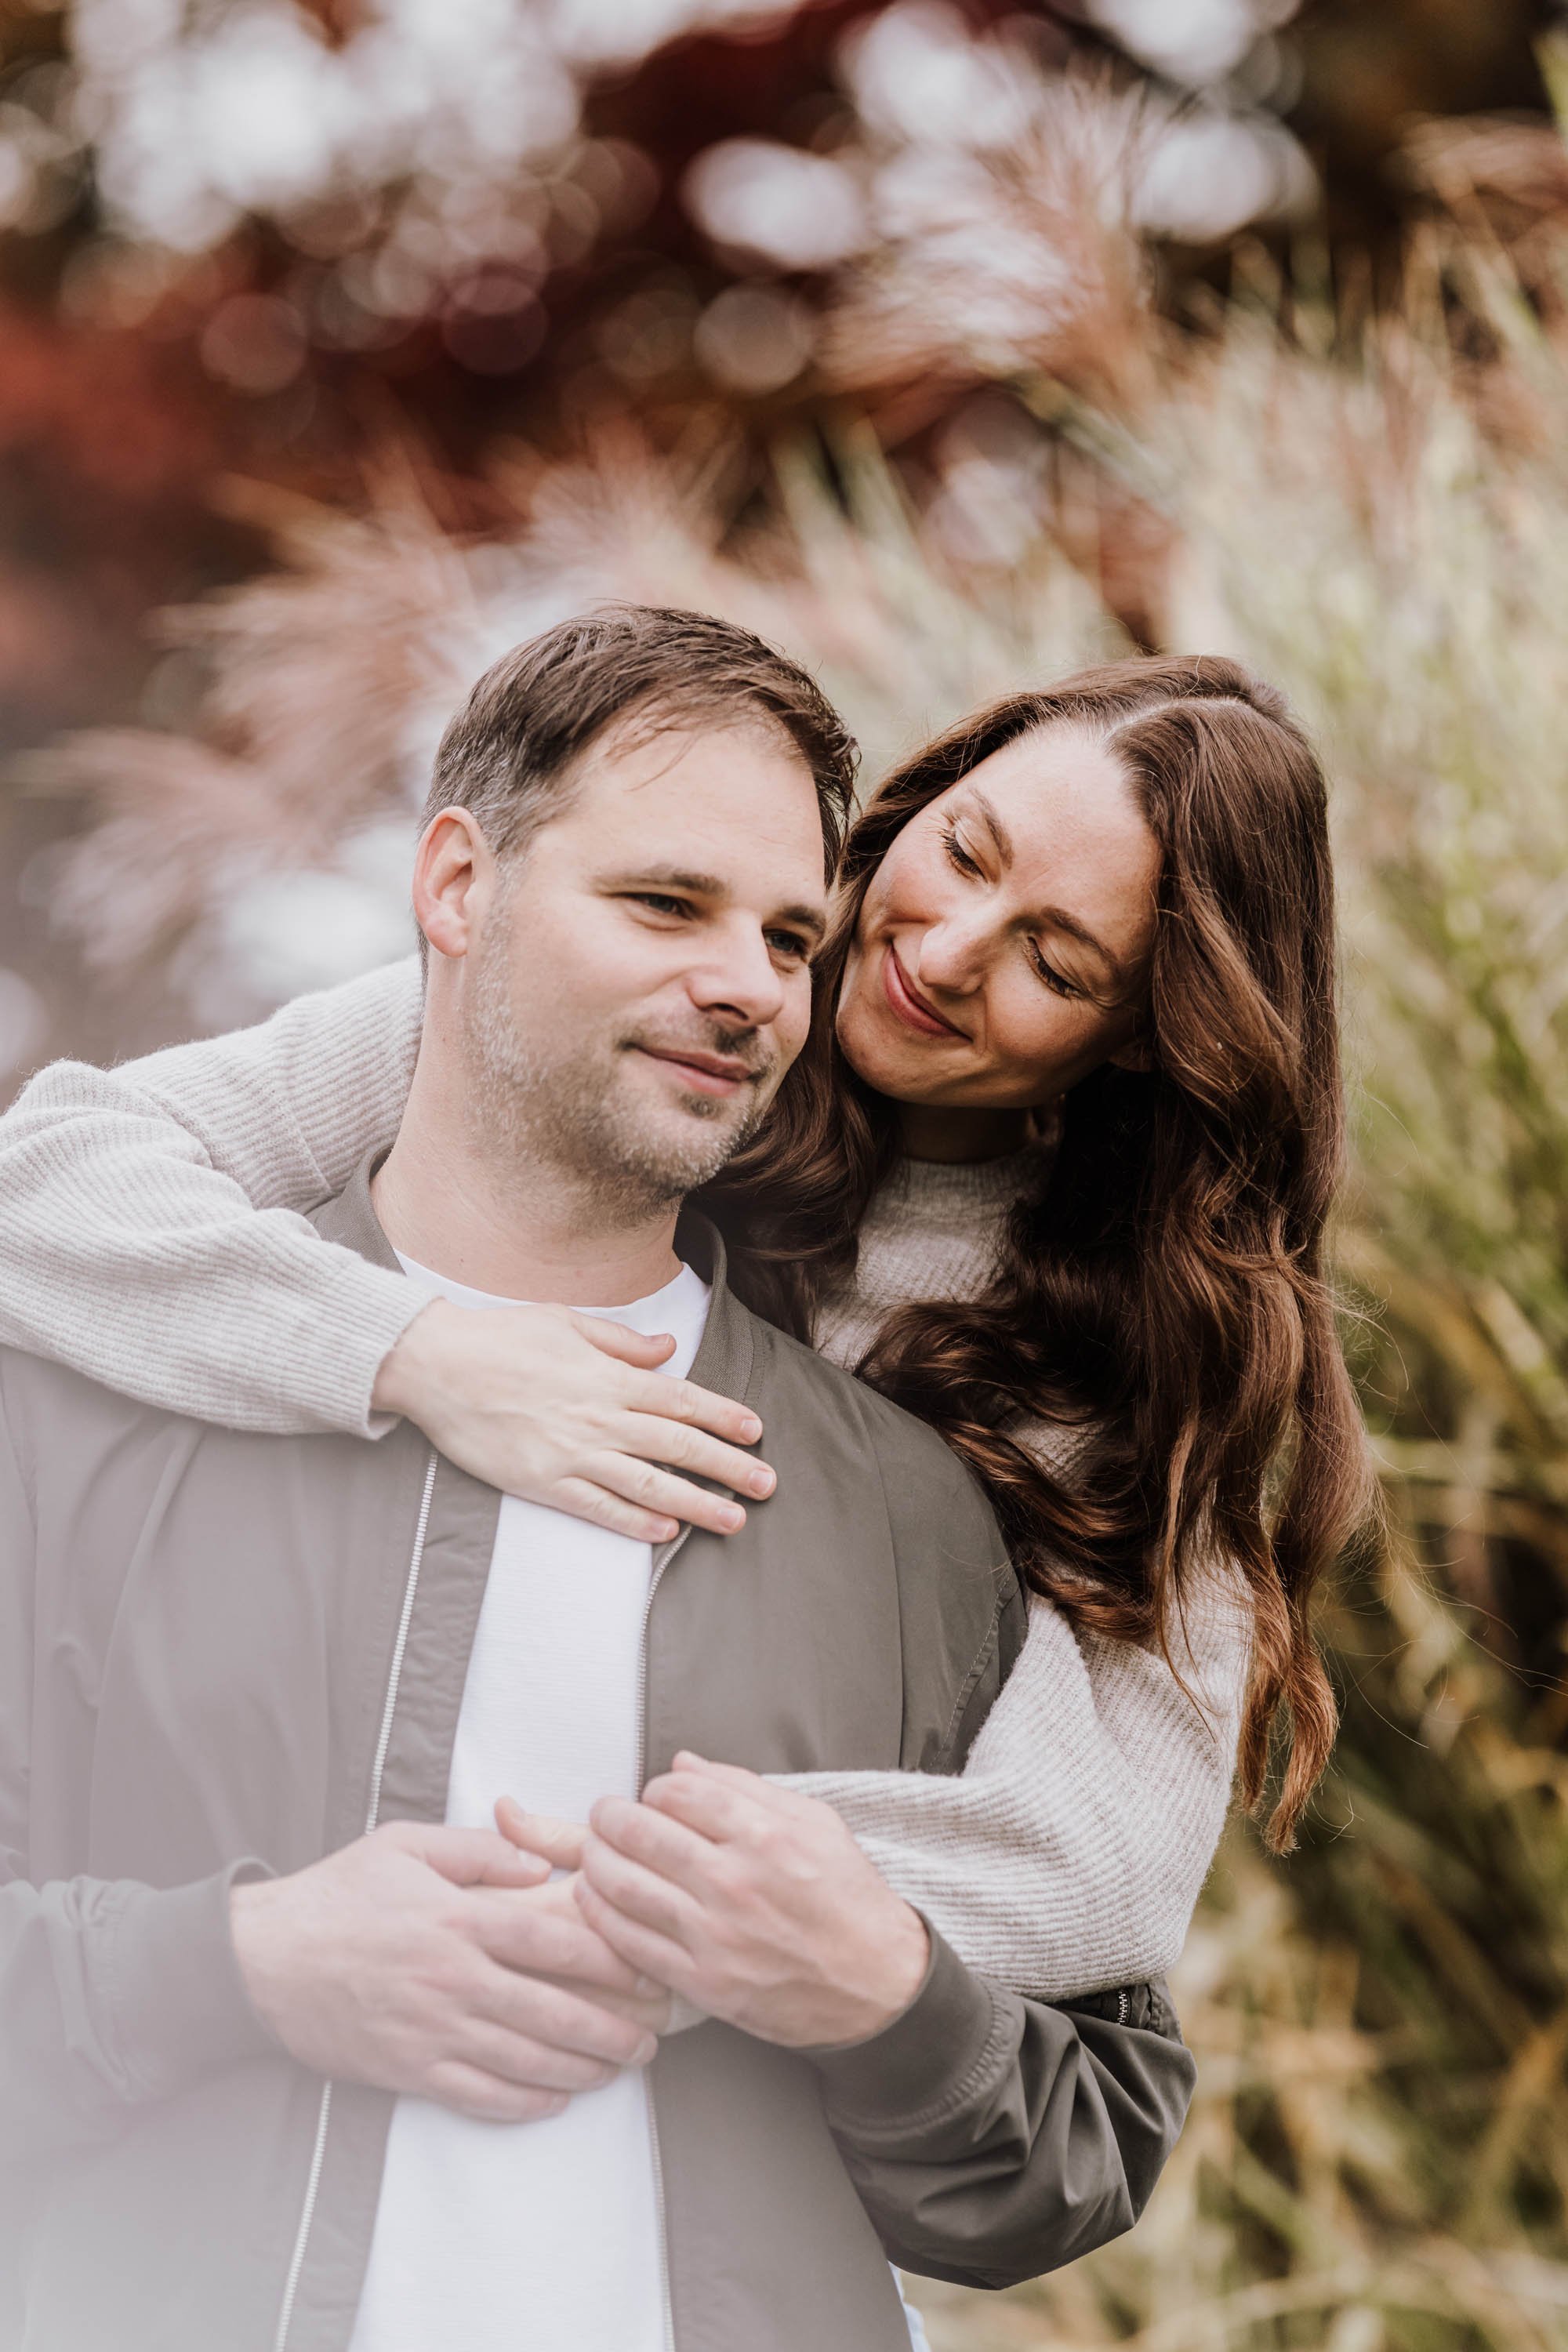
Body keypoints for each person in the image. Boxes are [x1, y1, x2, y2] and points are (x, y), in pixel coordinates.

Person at [0, 607, 1195, 2352]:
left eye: (792, 935)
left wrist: (886, 1997)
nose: (745, 982)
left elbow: (1075, 2156)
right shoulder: (84, 1396)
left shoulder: (911, 1513)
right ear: (455, 888)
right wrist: (244, 1973)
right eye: (662, 904)